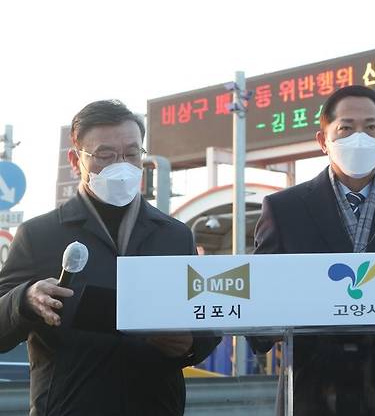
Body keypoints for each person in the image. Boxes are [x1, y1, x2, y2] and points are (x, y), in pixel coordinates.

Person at [0, 100, 220, 415]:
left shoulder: (174, 235)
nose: (122, 166)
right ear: (75, 161)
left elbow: (206, 322)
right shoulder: (39, 235)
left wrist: (189, 345)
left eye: (132, 154)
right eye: (105, 155)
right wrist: (25, 298)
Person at [251, 85, 375, 415]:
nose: (360, 137)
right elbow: (261, 292)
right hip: (312, 389)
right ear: (323, 140)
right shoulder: (285, 208)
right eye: (346, 127)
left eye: (371, 127)